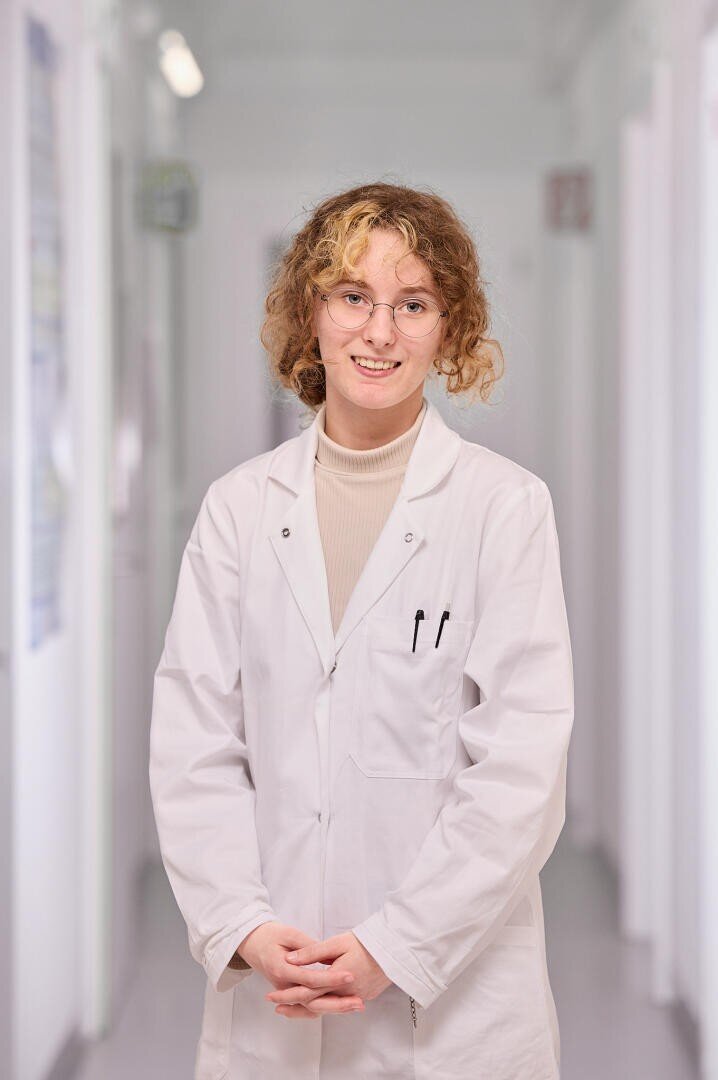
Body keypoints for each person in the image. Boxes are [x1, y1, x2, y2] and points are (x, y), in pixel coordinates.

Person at [149, 181, 574, 1080]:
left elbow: (521, 771)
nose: (379, 333)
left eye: (412, 303)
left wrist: (398, 944)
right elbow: (194, 744)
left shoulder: (503, 509)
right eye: (353, 297)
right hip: (277, 987)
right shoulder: (238, 511)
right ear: (312, 311)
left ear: (449, 328)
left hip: (450, 1012)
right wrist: (245, 926)